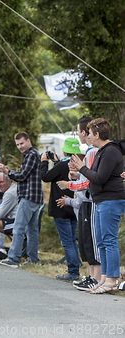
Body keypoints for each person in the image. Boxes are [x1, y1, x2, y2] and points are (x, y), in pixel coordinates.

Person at [69, 118, 125, 294]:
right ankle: (103, 278)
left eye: (90, 133)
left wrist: (82, 168)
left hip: (110, 200)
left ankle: (112, 280)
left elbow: (100, 177)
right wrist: (81, 171)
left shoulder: (110, 152)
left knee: (109, 240)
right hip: (100, 200)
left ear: (97, 134)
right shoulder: (102, 151)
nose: (88, 137)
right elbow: (94, 175)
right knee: (100, 241)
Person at [56, 116, 101, 291]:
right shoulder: (91, 152)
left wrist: (68, 184)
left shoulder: (91, 152)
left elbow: (88, 181)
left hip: (89, 202)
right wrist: (76, 176)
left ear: (86, 133)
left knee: (92, 242)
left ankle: (95, 278)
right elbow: (85, 176)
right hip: (84, 202)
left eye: (84, 133)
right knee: (85, 243)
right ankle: (91, 276)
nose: (84, 136)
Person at [0, 131, 44, 268]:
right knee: (32, 230)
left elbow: (22, 176)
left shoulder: (31, 155)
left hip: (28, 197)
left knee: (19, 228)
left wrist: (7, 171)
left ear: (28, 141)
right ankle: (33, 259)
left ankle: (13, 258)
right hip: (36, 197)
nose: (20, 147)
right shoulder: (34, 154)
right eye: (17, 144)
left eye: (22, 143)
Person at [40, 138, 80, 280]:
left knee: (67, 241)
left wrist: (44, 162)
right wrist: (56, 162)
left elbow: (45, 177)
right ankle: (75, 267)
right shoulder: (78, 164)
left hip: (60, 206)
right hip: (73, 206)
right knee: (71, 239)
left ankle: (73, 271)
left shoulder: (63, 164)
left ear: (64, 150)